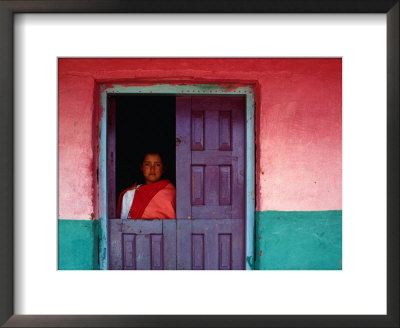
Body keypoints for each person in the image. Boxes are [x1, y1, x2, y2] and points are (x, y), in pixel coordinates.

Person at [116, 152, 176, 219]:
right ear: (141, 167)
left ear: (163, 168)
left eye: (157, 165)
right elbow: (122, 225)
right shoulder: (130, 194)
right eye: (147, 164)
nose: (152, 169)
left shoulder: (172, 193)